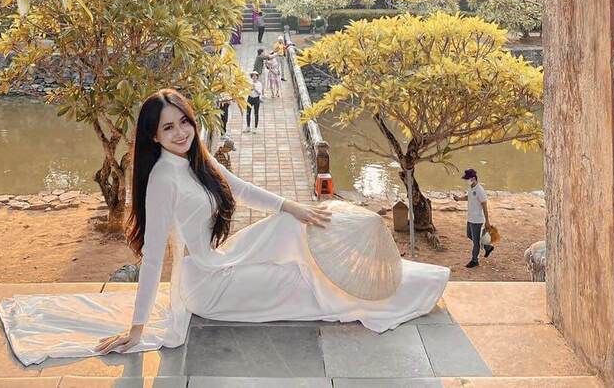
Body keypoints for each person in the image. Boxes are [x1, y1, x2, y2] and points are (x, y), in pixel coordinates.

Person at [93, 88, 450, 356]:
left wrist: (294, 207)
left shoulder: (194, 159)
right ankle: (385, 292)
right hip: (208, 286)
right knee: (299, 278)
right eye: (168, 128)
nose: (181, 132)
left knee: (295, 224)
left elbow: (242, 190)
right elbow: (154, 259)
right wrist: (137, 330)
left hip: (222, 260)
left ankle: (386, 278)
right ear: (153, 136)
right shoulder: (162, 179)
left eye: (184, 121)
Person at [462, 167, 493, 268]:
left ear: (473, 178)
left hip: (477, 220)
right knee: (469, 235)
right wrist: (459, 199)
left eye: (468, 179)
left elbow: (484, 205)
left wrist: (487, 221)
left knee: (475, 242)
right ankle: (487, 247)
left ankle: (474, 260)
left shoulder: (480, 190)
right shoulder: (471, 188)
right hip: (470, 218)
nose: (467, 181)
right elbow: (469, 197)